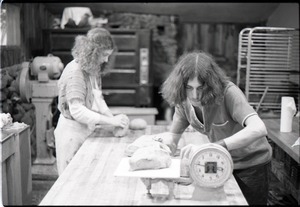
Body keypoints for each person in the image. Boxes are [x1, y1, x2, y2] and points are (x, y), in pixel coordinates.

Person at [160, 50, 272, 205]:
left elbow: (259, 128)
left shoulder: (228, 92)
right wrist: (162, 150)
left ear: (211, 84)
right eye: (189, 87)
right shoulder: (183, 100)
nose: (194, 95)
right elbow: (173, 136)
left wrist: (211, 147)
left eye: (200, 88)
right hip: (221, 162)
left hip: (250, 165)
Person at [54, 28, 129, 175]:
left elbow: (97, 97)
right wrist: (111, 122)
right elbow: (77, 111)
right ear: (93, 51)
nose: (107, 60)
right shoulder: (75, 72)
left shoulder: (92, 69)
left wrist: (111, 117)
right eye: (105, 55)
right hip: (71, 133)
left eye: (109, 55)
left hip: (84, 128)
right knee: (69, 181)